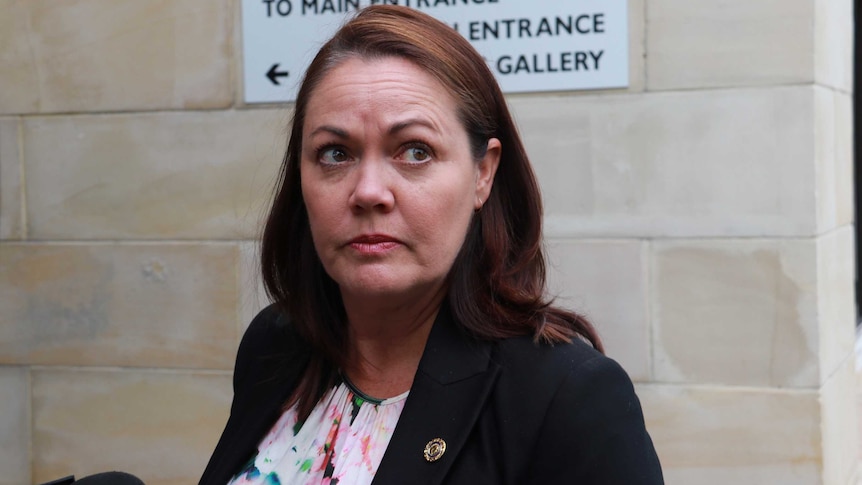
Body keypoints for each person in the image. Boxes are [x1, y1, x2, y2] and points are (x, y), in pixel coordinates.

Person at [201, 5, 663, 484]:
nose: (368, 192)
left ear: (483, 172)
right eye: (335, 154)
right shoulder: (276, 343)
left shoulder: (566, 397)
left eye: (415, 151)